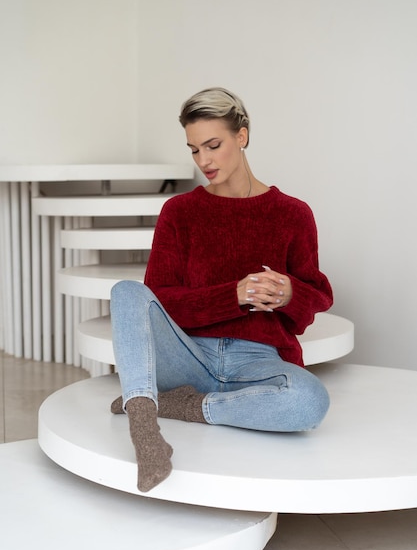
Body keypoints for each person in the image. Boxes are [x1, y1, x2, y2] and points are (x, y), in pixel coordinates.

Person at [110, 87, 333, 493]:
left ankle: (184, 405)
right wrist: (234, 295)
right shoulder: (180, 212)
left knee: (309, 402)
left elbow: (316, 297)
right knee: (127, 291)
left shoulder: (292, 214)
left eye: (213, 145)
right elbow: (159, 302)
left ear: (242, 136)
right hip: (188, 355)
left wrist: (288, 294)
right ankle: (144, 425)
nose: (203, 161)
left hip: (257, 361)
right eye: (194, 150)